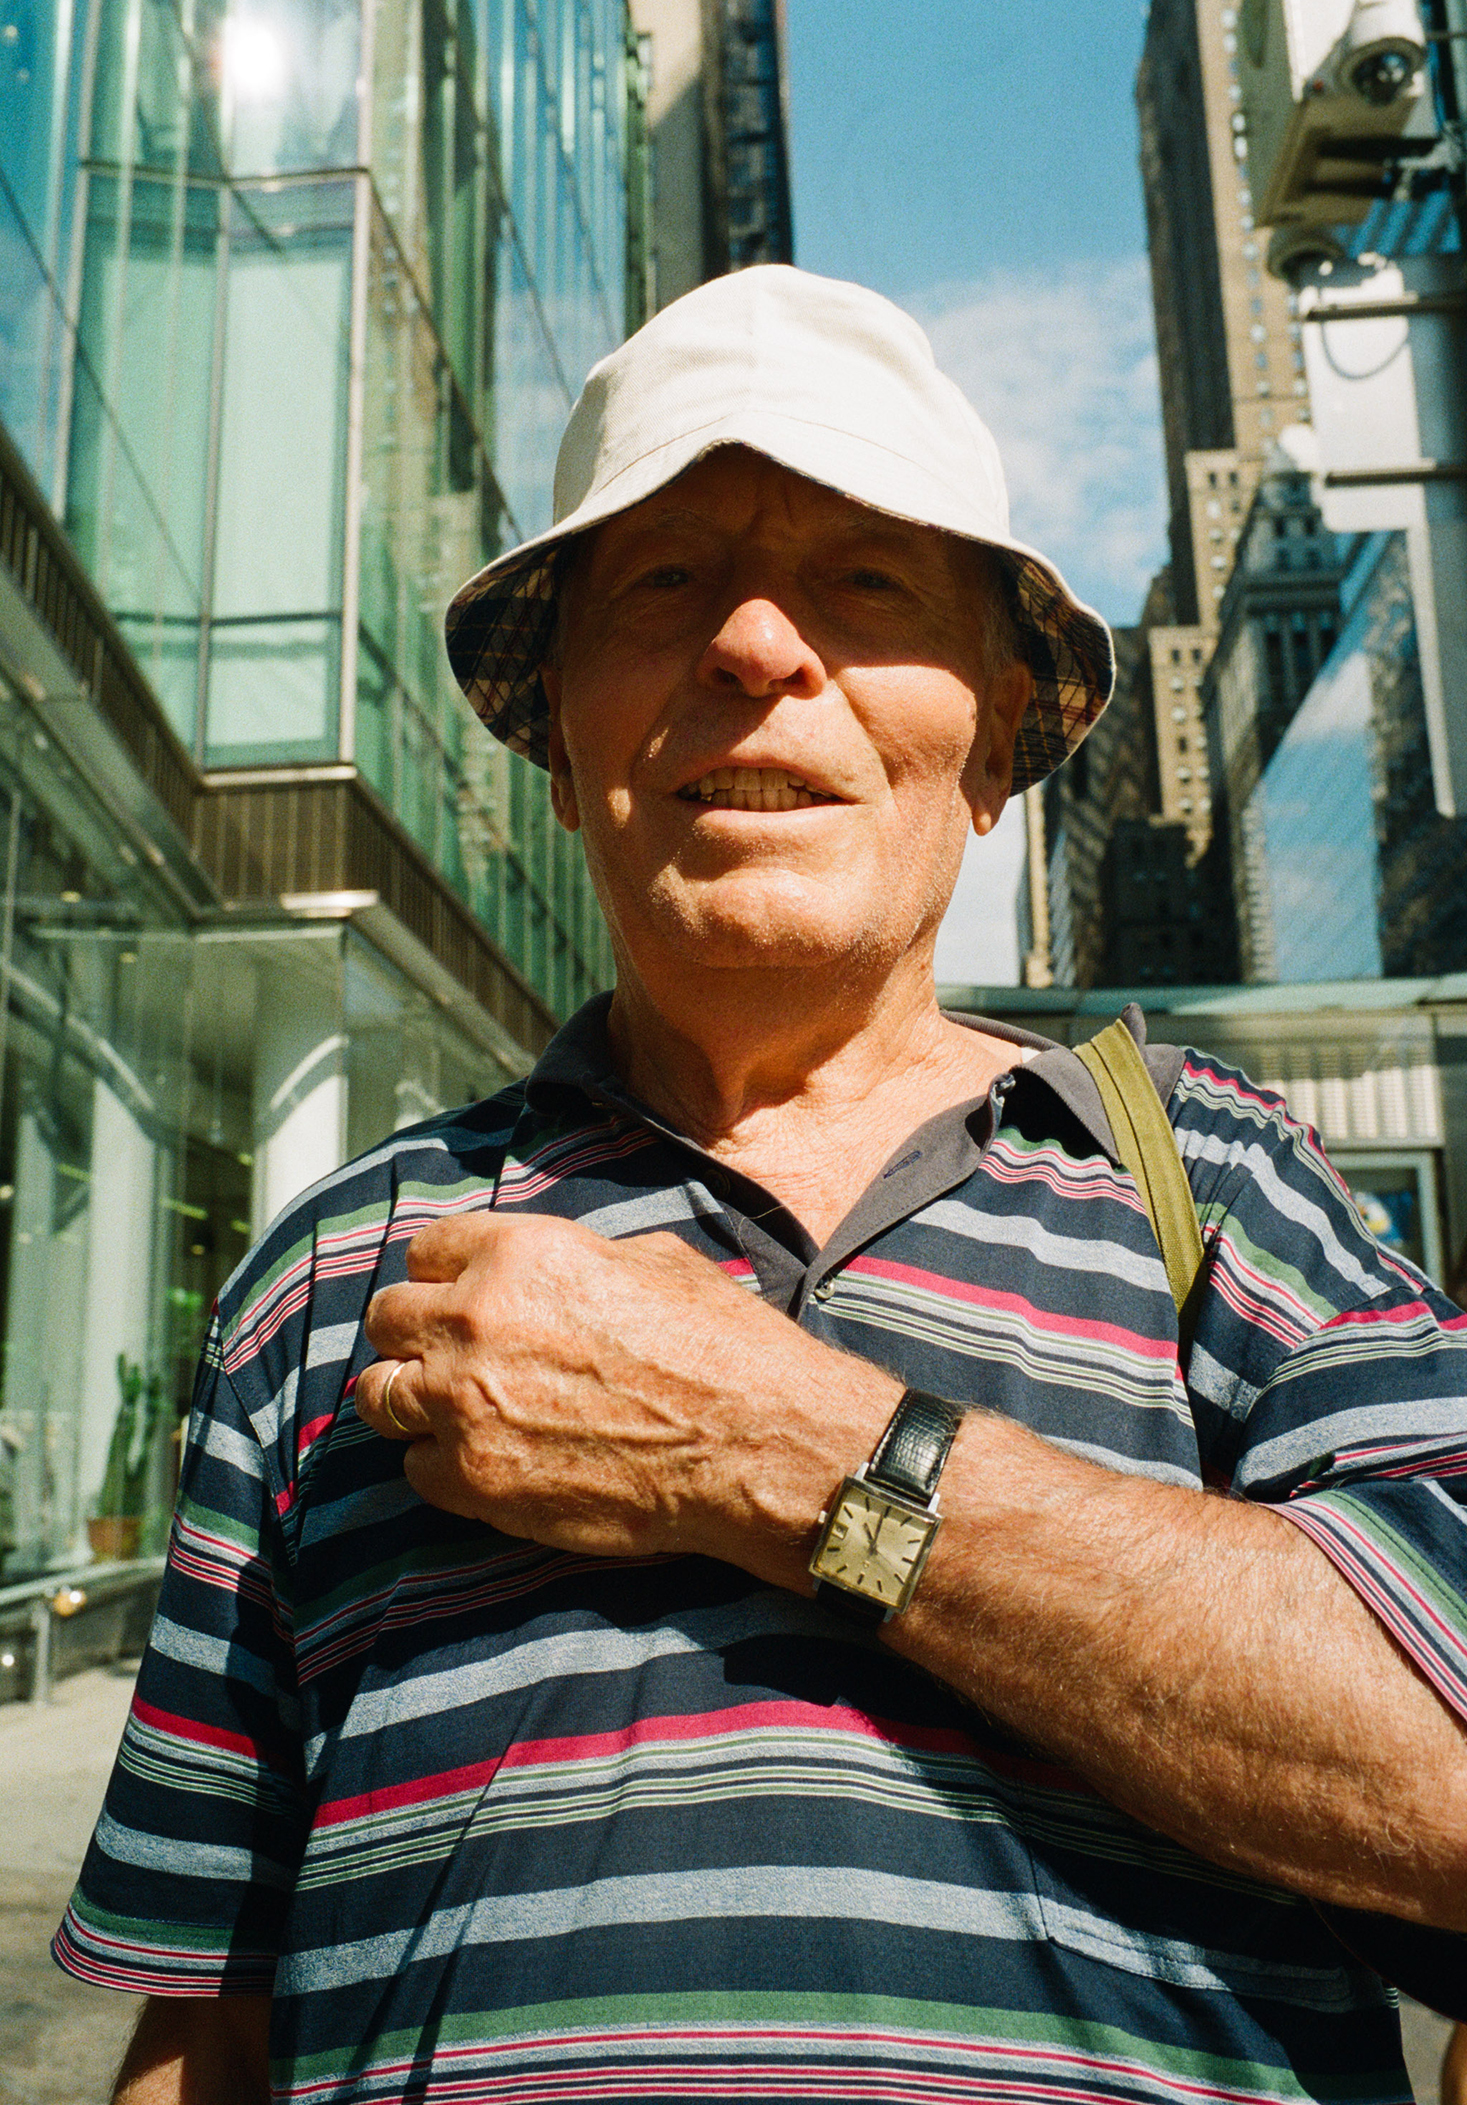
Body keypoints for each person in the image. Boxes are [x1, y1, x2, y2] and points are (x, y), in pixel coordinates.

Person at [55, 266, 1467, 2105]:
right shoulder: (337, 1273)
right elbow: (204, 2039)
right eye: (663, 581)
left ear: (997, 742)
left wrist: (786, 1448)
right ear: (559, 745)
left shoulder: (1221, 1190)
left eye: (866, 580)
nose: (752, 646)